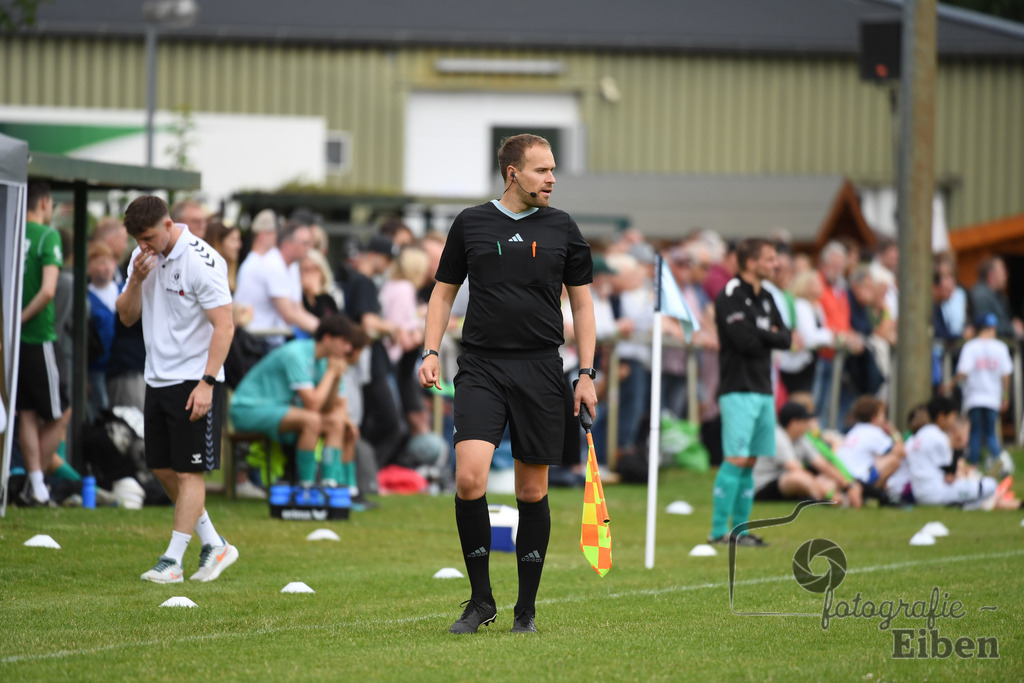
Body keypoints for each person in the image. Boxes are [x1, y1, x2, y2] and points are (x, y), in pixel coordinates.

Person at [418, 133, 596, 635]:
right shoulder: (470, 222)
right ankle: (480, 601)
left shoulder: (563, 227)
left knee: (530, 489)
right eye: (542, 170)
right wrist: (430, 351)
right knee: (470, 477)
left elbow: (582, 304)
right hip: (481, 367)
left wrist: (585, 374)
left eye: (553, 169)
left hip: (541, 368)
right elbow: (442, 294)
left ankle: (526, 610)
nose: (552, 178)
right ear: (513, 173)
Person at [116, 195, 237, 584]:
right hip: (157, 377)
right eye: (137, 239)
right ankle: (214, 543)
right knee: (162, 467)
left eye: (148, 237)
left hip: (193, 380)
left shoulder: (204, 261)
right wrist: (135, 277)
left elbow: (225, 326)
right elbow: (127, 315)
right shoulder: (142, 259)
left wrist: (207, 383)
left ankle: (173, 560)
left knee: (189, 473)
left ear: (169, 225)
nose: (143, 246)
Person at [707, 238, 791, 547]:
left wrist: (763, 334)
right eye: (769, 259)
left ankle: (740, 530)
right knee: (736, 458)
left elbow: (785, 338)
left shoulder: (768, 297)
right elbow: (743, 341)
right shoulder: (730, 294)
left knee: (751, 461)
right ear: (751, 262)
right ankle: (717, 531)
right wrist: (766, 335)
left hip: (763, 389)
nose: (775, 264)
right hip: (738, 389)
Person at [230, 314, 368, 491]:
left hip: (278, 410)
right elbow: (313, 405)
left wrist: (335, 379)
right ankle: (307, 488)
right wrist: (331, 374)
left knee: (336, 423)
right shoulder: (297, 353)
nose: (348, 348)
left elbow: (329, 407)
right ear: (327, 338)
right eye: (344, 342)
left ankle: (331, 487)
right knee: (312, 420)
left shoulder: (329, 361)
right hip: (247, 408)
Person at [17, 181, 72, 506]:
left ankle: (35, 486)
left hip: (14, 343)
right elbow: (49, 289)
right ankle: (35, 484)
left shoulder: (10, 234)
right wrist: (20, 319)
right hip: (39, 337)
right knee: (61, 411)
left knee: (25, 413)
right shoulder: (47, 236)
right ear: (45, 204)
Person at [906, 396, 1016, 509]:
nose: (953, 422)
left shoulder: (920, 434)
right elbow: (950, 475)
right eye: (952, 417)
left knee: (976, 491)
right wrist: (958, 447)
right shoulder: (939, 437)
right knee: (990, 484)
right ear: (941, 417)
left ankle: (976, 503)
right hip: (937, 493)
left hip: (919, 494)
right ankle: (989, 501)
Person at [234, 220, 321, 347]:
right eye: (305, 243)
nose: (309, 248)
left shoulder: (292, 266)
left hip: (269, 339)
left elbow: (297, 309)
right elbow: (289, 314)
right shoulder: (273, 264)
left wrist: (326, 328)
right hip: (254, 342)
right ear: (287, 245)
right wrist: (325, 330)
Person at [754, 401, 851, 504]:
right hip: (763, 487)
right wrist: (829, 494)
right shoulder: (777, 437)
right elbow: (796, 470)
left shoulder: (801, 438)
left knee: (828, 478)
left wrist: (849, 486)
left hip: (785, 483)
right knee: (798, 477)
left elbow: (822, 464)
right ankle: (824, 501)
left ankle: (819, 499)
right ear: (794, 423)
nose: (808, 424)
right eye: (805, 421)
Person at [956, 313, 1014, 471]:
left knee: (975, 432)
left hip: (973, 397)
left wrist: (952, 383)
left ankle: (974, 466)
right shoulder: (1000, 347)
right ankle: (999, 464)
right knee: (990, 433)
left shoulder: (970, 346)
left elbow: (963, 371)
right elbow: (1006, 374)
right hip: (992, 398)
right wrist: (1005, 395)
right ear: (990, 328)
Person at [834, 396, 905, 500]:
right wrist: (894, 432)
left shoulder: (854, 430)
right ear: (874, 417)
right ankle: (870, 495)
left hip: (842, 476)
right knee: (894, 460)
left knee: (880, 458)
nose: (885, 419)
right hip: (857, 479)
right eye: (882, 414)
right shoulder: (873, 431)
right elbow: (901, 452)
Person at [86, 241, 120, 418]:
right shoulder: (85, 298)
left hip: (120, 368)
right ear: (88, 267)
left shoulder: (123, 292)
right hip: (96, 370)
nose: (105, 267)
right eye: (99, 262)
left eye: (109, 261)